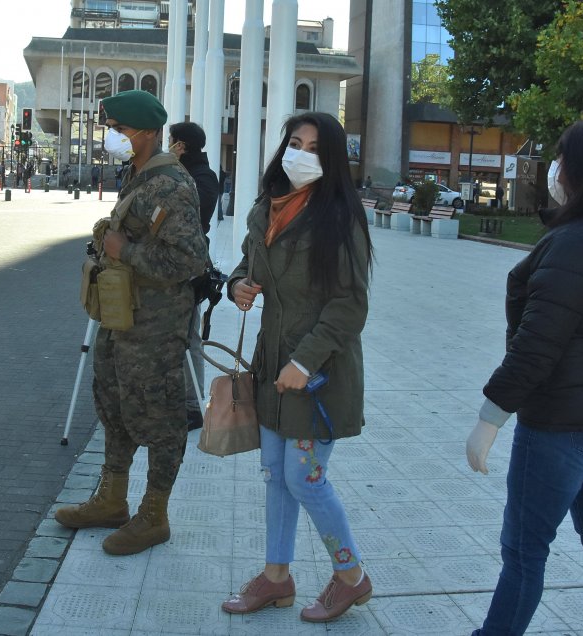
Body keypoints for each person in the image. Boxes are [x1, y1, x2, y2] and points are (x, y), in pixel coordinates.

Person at [465, 118, 583, 636]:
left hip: (563, 421)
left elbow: (539, 343)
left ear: (582, 169)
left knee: (524, 550)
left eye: (561, 157)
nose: (555, 167)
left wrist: (491, 416)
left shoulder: (577, 242)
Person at [222, 112, 375, 623]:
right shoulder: (267, 209)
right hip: (272, 367)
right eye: (295, 143)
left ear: (330, 160)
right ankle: (276, 579)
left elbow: (350, 305)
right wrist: (238, 285)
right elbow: (248, 264)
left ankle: (351, 576)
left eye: (314, 148)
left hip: (318, 375)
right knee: (275, 476)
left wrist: (304, 362)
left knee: (305, 479)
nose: (301, 154)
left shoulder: (340, 217)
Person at [53, 90, 209, 556]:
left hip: (156, 327)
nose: (112, 137)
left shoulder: (170, 185)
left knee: (159, 417)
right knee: (114, 405)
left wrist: (126, 252)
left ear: (145, 132)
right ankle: (112, 500)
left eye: (119, 130)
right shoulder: (138, 176)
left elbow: (190, 260)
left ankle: (154, 515)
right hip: (123, 317)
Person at [168, 121, 220, 430]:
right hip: (169, 263)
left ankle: (193, 405)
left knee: (189, 336)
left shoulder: (204, 177)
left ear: (182, 146)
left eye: (172, 141)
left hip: (189, 266)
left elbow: (193, 216)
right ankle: (178, 398)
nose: (169, 146)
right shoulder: (180, 171)